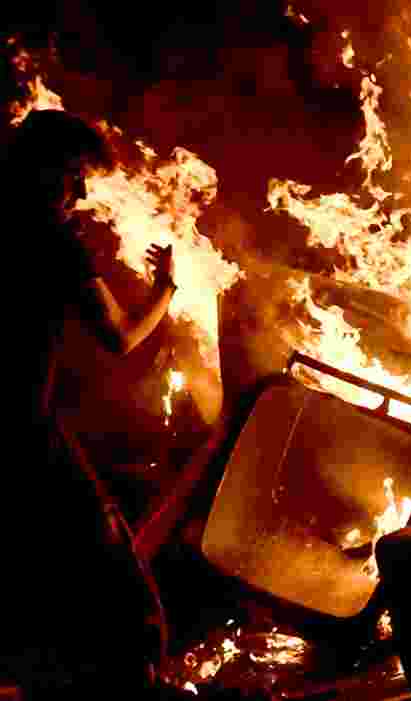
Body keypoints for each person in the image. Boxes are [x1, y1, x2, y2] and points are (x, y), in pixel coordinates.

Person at [1, 109, 183, 699]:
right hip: (24, 431)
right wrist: (166, 291)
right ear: (44, 167)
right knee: (112, 571)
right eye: (75, 175)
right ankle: (139, 681)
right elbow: (121, 338)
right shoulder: (56, 244)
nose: (80, 192)